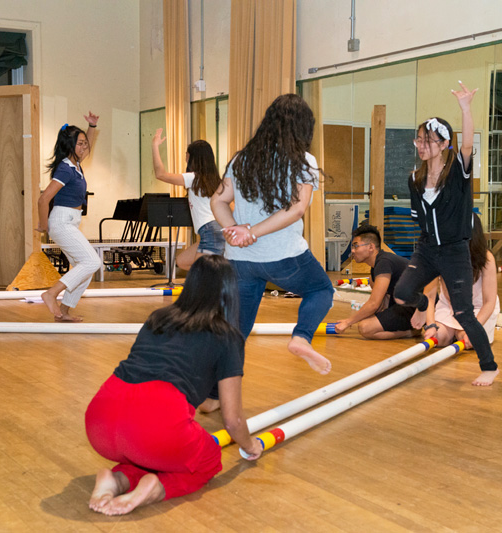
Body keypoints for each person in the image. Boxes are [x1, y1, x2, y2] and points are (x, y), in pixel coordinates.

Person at [84, 255, 262, 516]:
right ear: (229, 291)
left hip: (100, 417)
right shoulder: (227, 336)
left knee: (147, 453)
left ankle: (117, 480)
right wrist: (250, 446)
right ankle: (156, 488)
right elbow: (232, 420)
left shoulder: (159, 317)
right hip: (154, 422)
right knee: (207, 460)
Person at [210, 93, 335, 384]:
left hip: (241, 260)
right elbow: (296, 210)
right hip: (284, 256)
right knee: (321, 290)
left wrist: (235, 231)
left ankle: (214, 395)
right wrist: (248, 231)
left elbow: (217, 202)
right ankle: (301, 338)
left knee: (237, 331)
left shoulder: (242, 158)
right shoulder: (303, 160)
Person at [393, 82, 499, 387]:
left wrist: (465, 108)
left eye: (429, 140)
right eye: (420, 139)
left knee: (464, 312)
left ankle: (489, 366)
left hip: (455, 251)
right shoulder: (414, 179)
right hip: (427, 249)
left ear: (443, 144)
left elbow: (467, 146)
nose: (422, 144)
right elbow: (420, 219)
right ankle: (424, 306)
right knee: (402, 295)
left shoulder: (458, 173)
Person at [36, 114, 102, 322]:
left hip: (71, 221)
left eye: (84, 143)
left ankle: (63, 312)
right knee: (92, 261)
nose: (84, 147)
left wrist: (92, 126)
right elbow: (43, 199)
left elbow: (87, 143)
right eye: (80, 144)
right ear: (70, 146)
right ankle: (51, 293)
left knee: (85, 270)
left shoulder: (76, 164)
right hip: (62, 222)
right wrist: (44, 225)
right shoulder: (65, 168)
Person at [412, 213, 500, 348]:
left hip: (478, 310)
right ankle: (451, 333)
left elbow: (489, 302)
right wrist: (431, 325)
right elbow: (429, 295)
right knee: (438, 338)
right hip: (448, 307)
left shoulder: (486, 258)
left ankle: (462, 333)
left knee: (466, 338)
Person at [151, 128, 225, 270]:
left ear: (192, 157)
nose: (185, 155)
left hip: (210, 231)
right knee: (182, 261)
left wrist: (155, 146)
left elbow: (160, 174)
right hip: (213, 231)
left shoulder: (193, 178)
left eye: (187, 153)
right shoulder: (214, 180)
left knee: (201, 272)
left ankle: (216, 287)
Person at [334, 225, 419, 339]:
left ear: (370, 247)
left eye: (356, 246)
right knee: (368, 319)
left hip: (417, 308)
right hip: (403, 305)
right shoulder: (375, 268)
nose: (353, 251)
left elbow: (374, 304)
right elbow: (381, 303)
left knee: (365, 328)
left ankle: (412, 332)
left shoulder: (384, 262)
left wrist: (348, 322)